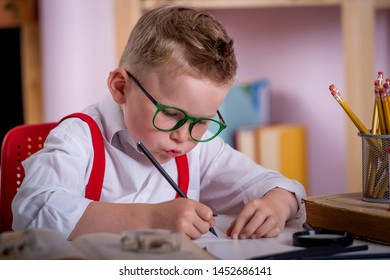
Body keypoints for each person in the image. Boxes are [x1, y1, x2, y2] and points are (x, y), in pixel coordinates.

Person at [12, 5, 306, 240]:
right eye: (172, 114)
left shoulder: (198, 150)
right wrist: (152, 218)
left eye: (202, 121)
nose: (184, 137)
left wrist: (277, 204)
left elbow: (275, 185)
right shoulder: (77, 138)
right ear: (120, 87)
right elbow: (34, 209)